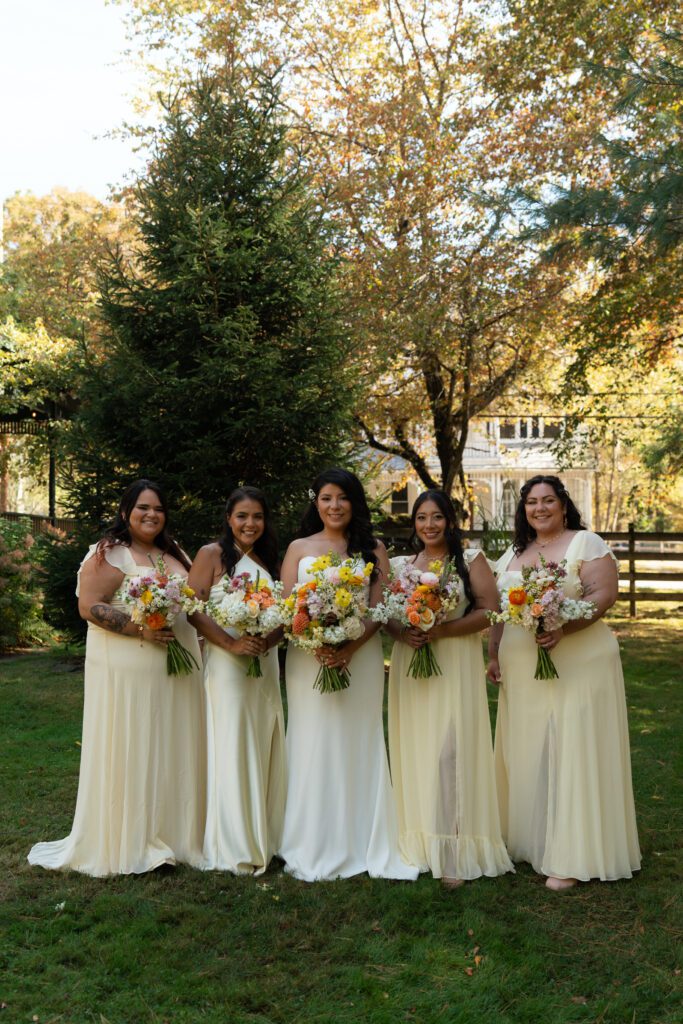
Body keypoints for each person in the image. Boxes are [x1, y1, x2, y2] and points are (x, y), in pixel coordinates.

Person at [28, 479, 206, 876]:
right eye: (143, 507)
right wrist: (141, 629)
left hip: (178, 669)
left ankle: (177, 834)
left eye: (158, 508)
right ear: (126, 512)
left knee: (173, 743)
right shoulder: (110, 553)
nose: (151, 514)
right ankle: (135, 840)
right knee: (137, 743)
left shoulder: (175, 553)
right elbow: (89, 606)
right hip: (131, 668)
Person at [487, 475, 641, 890]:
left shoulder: (585, 543)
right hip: (523, 665)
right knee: (530, 748)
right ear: (523, 509)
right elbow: (499, 609)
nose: (539, 508)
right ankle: (533, 839)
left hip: (579, 659)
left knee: (572, 746)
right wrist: (493, 653)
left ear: (563, 505)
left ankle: (573, 854)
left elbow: (602, 596)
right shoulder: (514, 552)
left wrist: (561, 627)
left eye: (548, 500)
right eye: (531, 502)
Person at [279, 468, 417, 882]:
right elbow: (288, 607)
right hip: (308, 659)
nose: (334, 505)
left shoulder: (373, 549)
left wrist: (349, 647)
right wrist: (317, 644)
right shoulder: (298, 548)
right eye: (326, 498)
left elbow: (379, 607)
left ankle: (361, 837)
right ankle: (310, 839)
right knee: (313, 739)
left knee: (357, 738)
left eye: (342, 498)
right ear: (316, 502)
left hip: (362, 656)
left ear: (354, 502)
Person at [387, 490, 514, 888]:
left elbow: (490, 610)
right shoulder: (401, 566)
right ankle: (420, 843)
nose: (429, 525)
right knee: (419, 750)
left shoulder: (470, 560)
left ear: (450, 521)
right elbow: (387, 616)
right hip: (412, 664)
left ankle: (455, 850)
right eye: (421, 517)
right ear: (414, 523)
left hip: (454, 662)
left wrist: (440, 629)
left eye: (437, 517)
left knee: (450, 752)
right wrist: (405, 633)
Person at [188, 486, 286, 874]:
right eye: (242, 516)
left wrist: (266, 641)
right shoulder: (211, 554)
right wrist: (231, 644)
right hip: (228, 665)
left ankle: (269, 835)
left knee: (263, 738)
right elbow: (194, 609)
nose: (250, 523)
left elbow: (285, 614)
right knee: (234, 742)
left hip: (264, 663)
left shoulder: (269, 559)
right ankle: (234, 843)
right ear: (229, 518)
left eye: (257, 516)